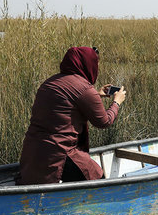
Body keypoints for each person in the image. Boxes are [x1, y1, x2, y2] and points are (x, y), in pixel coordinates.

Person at [16, 47, 127, 185]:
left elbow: (65, 105)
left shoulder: (49, 83)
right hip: (58, 153)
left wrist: (96, 95)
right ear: (88, 65)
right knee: (97, 177)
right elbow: (104, 121)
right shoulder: (85, 89)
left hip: (31, 152)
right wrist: (116, 102)